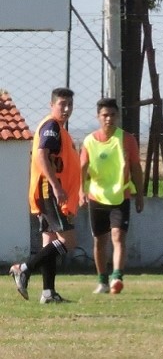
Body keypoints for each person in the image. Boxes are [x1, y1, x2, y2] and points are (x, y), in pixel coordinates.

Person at [9, 87, 81, 304]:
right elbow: (41, 155)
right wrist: (57, 187)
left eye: (70, 104)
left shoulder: (58, 129)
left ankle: (48, 293)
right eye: (62, 104)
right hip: (49, 190)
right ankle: (24, 268)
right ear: (52, 105)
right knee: (68, 241)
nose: (66, 109)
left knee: (49, 241)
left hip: (46, 191)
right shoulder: (52, 126)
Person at [79, 98, 144, 295]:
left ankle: (117, 277)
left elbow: (136, 168)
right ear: (98, 117)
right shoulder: (89, 141)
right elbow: (82, 168)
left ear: (118, 117)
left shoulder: (127, 140)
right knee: (100, 241)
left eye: (113, 115)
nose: (109, 119)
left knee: (118, 236)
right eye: (105, 115)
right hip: (97, 196)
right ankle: (102, 281)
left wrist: (139, 194)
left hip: (120, 195)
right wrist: (81, 191)